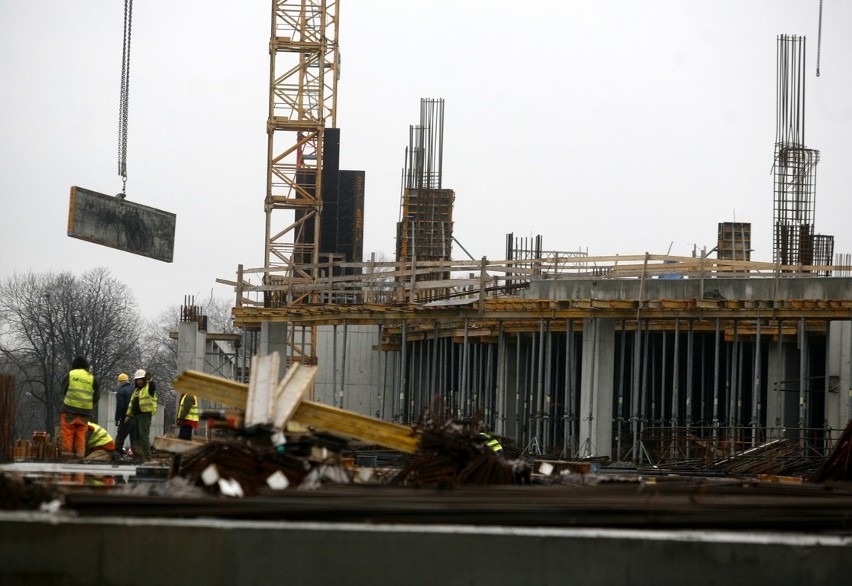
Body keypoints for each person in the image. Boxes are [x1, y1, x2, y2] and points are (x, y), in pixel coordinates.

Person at [59, 356, 100, 459]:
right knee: (81, 435)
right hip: (85, 412)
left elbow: (63, 390)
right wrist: (89, 404)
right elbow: (97, 396)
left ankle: (66, 457)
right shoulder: (91, 378)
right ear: (86, 366)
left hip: (69, 410)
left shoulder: (70, 375)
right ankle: (80, 457)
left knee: (67, 434)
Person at [126, 369, 157, 462]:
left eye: (141, 379)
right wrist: (128, 415)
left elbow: (152, 387)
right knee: (136, 437)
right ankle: (138, 456)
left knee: (143, 436)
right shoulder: (136, 391)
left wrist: (150, 380)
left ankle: (147, 457)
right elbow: (131, 404)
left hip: (145, 415)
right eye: (137, 380)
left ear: (144, 379)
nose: (139, 381)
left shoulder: (148, 388)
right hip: (135, 416)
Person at [113, 372, 133, 454]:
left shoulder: (121, 392)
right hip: (135, 417)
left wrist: (117, 419)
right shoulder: (134, 390)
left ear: (120, 382)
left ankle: (118, 453)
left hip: (125, 417)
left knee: (120, 436)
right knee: (134, 438)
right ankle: (137, 455)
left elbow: (120, 407)